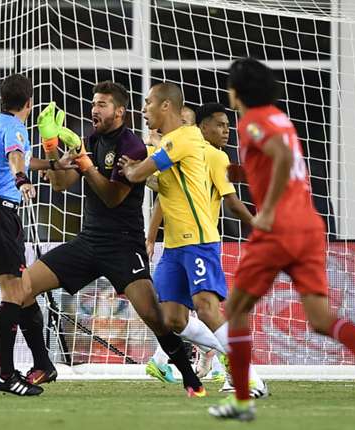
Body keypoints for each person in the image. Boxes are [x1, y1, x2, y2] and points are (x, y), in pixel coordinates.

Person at [0, 80, 205, 397]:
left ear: (120, 111)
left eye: (102, 104)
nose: (94, 109)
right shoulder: (90, 140)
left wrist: (86, 164)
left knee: (154, 316)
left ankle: (190, 377)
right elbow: (60, 184)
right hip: (88, 241)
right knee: (23, 287)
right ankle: (38, 363)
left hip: (124, 245)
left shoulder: (133, 146)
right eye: (93, 103)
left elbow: (112, 197)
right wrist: (51, 145)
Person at [207, 58, 355, 421]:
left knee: (234, 310)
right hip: (309, 227)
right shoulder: (281, 120)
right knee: (320, 317)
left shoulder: (251, 122)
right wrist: (233, 170)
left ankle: (243, 401)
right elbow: (281, 160)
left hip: (278, 229)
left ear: (238, 90)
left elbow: (280, 158)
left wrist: (266, 213)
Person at [144, 102, 267, 397]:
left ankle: (250, 377)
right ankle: (222, 355)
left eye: (228, 125)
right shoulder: (181, 154)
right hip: (174, 246)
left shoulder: (215, 156)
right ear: (202, 127)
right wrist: (150, 237)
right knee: (171, 318)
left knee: (207, 308)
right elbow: (162, 194)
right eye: (220, 125)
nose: (227, 131)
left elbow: (233, 202)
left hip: (200, 242)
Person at [0, 74, 76, 396]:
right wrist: (20, 180)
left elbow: (26, 158)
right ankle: (4, 372)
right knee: (16, 292)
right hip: (0, 212)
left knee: (19, 289)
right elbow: (16, 157)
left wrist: (55, 165)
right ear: (29, 103)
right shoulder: (15, 128)